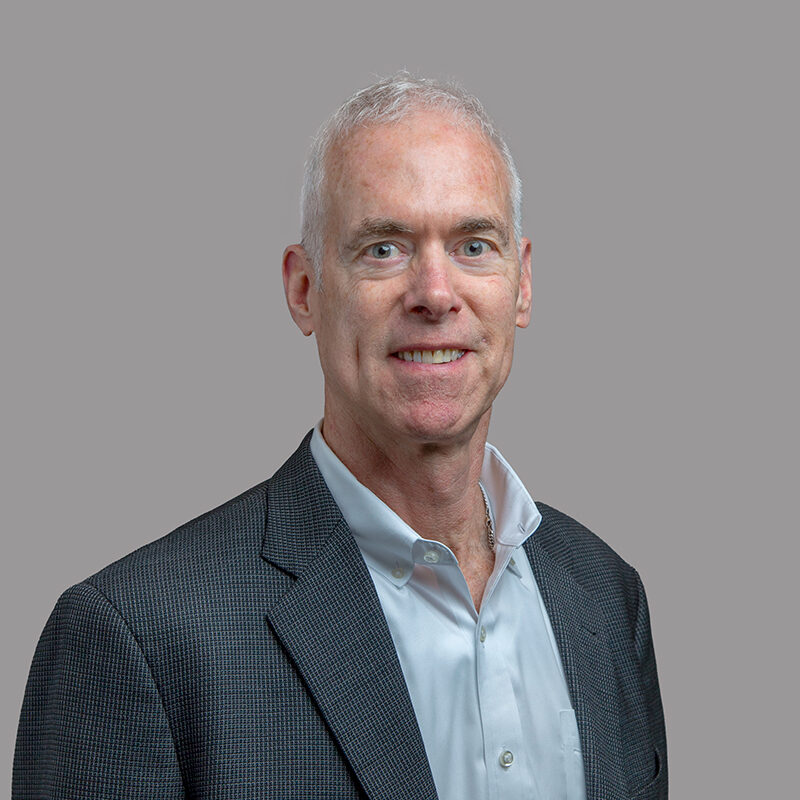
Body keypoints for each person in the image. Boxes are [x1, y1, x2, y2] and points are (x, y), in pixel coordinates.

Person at [13, 74, 667, 800]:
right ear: (304, 291)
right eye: (384, 249)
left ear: (522, 284)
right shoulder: (138, 638)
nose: (436, 293)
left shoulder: (605, 597)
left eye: (474, 245)